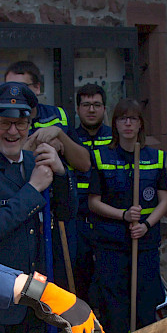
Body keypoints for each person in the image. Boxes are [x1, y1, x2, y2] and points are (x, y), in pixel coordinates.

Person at [0, 82, 72, 333]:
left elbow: (67, 213)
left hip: (36, 298)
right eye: (4, 123)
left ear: (30, 125)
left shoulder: (35, 162)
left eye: (20, 123)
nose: (13, 131)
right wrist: (33, 189)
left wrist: (60, 174)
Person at [87, 99, 167, 333]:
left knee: (145, 304)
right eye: (122, 118)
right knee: (115, 310)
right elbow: (94, 202)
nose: (128, 123)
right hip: (111, 246)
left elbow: (164, 200)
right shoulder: (102, 157)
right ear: (115, 124)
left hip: (143, 245)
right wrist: (123, 215)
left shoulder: (155, 157)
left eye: (133, 118)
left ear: (140, 124)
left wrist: (145, 224)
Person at [70, 83, 113, 303]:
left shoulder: (115, 138)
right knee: (81, 280)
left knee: (110, 280)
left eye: (97, 105)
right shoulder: (70, 140)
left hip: (110, 221)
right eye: (86, 105)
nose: (92, 110)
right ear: (78, 109)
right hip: (80, 222)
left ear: (104, 108)